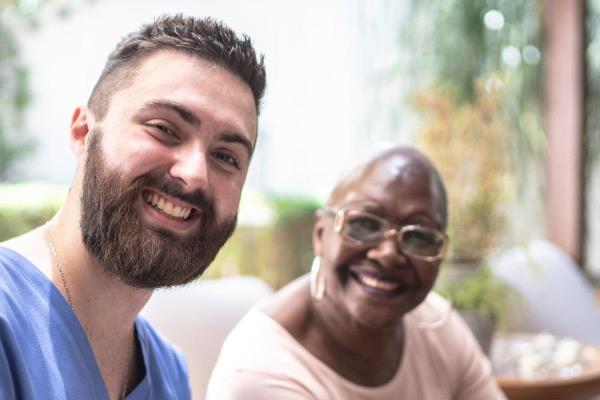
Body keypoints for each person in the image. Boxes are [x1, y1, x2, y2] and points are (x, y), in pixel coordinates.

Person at [0, 14, 265, 400]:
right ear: (84, 133)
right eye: (164, 128)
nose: (194, 175)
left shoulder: (169, 373)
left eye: (226, 156)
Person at [207, 145, 507, 399]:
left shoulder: (437, 327)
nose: (388, 254)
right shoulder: (261, 370)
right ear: (321, 234)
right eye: (364, 224)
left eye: (419, 235)